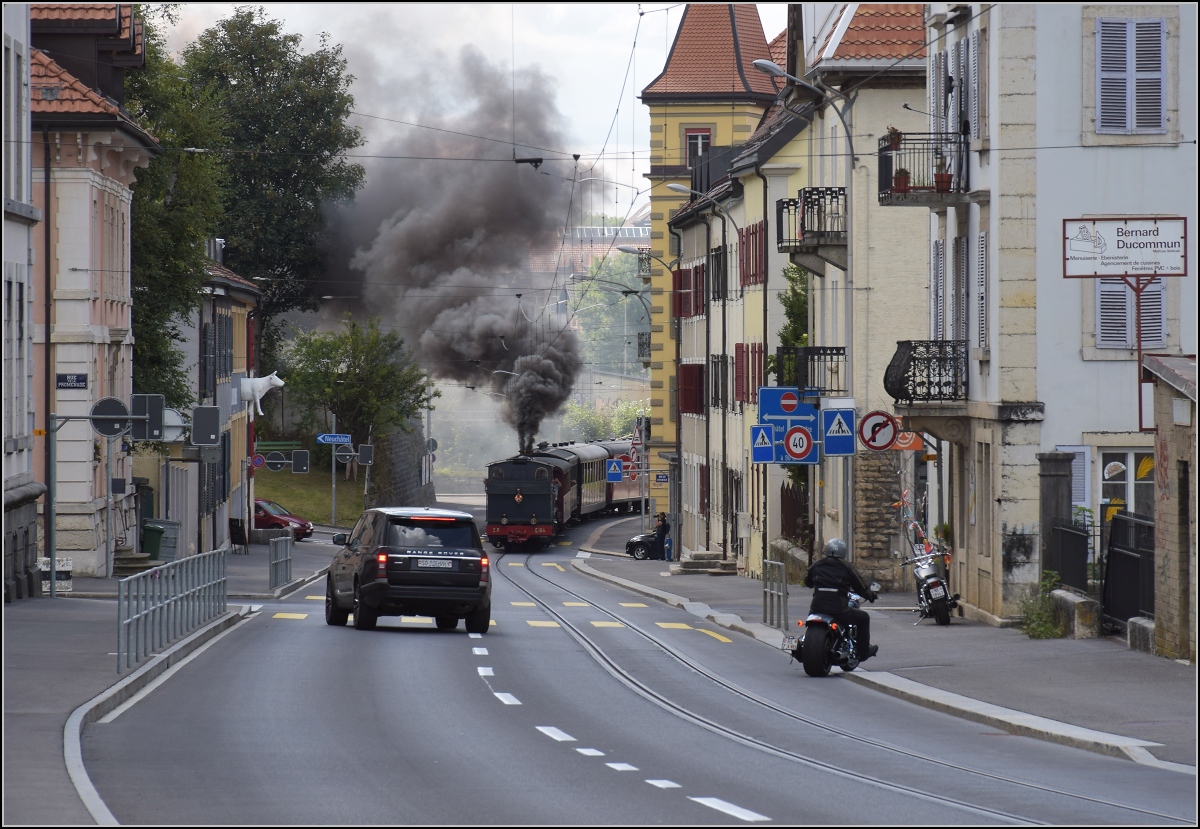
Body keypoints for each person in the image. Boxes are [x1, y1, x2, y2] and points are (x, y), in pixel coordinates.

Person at [803, 538, 878, 660]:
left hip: (817, 608)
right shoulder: (847, 567)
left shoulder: (817, 564)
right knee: (864, 618)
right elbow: (861, 586)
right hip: (838, 610)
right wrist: (870, 596)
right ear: (844, 552)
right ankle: (863, 652)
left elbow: (808, 581)